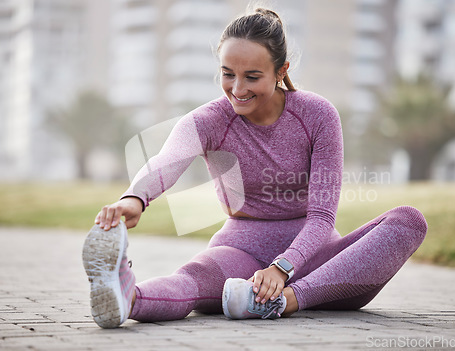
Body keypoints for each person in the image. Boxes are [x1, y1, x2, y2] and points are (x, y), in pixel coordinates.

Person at [82, 7, 427, 329]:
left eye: (252, 76)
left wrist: (283, 268)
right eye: (228, 74)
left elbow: (322, 218)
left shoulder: (317, 115)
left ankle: (283, 301)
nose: (238, 89)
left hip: (316, 262)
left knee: (408, 220)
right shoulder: (208, 121)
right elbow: (167, 161)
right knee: (191, 279)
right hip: (239, 251)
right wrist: (135, 198)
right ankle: (127, 299)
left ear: (281, 72)